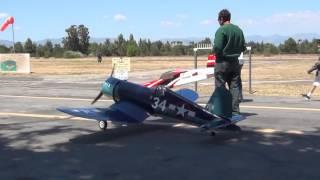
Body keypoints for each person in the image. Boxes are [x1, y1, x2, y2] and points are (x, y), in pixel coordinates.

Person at [212, 9, 246, 116]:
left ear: (221, 19)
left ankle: (221, 111)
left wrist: (215, 52)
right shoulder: (238, 30)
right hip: (235, 63)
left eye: (219, 19)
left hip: (222, 62)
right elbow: (243, 47)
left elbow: (217, 47)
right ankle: (235, 111)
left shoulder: (221, 30)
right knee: (235, 87)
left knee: (220, 86)